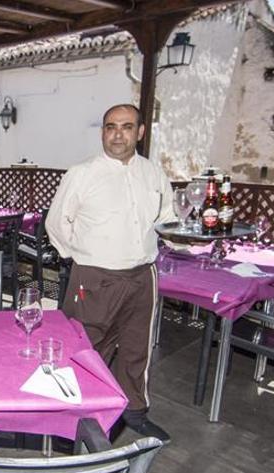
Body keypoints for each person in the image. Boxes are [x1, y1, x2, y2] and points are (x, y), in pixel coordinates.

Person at [46, 104, 175, 443]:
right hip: (95, 277)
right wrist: (83, 259)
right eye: (110, 127)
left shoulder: (153, 174)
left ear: (141, 132)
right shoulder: (82, 173)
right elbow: (57, 223)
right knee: (87, 349)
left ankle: (134, 411)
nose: (118, 134)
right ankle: (78, 420)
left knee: (136, 348)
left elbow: (167, 218)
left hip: (143, 276)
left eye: (127, 127)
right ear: (102, 131)